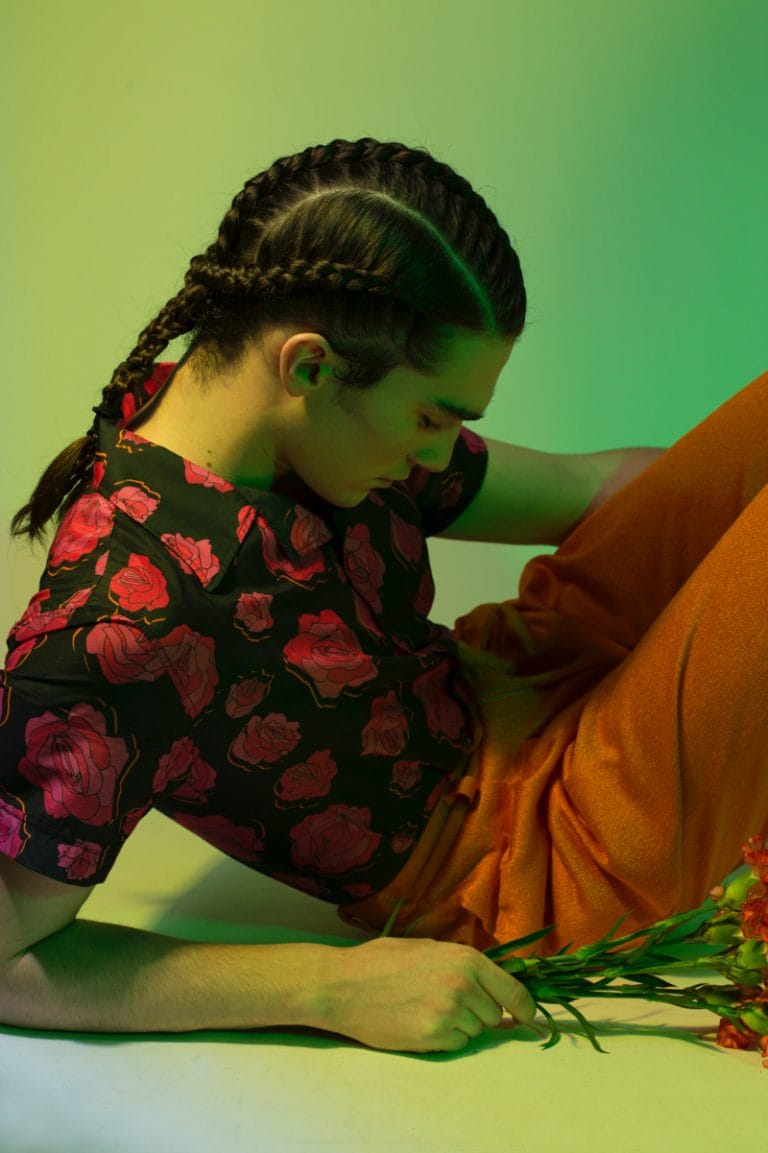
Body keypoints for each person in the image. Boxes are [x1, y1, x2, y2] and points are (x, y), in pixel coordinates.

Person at [1, 136, 766, 1055]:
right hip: (539, 855)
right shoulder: (123, 620)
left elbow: (589, 489)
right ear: (310, 367)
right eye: (432, 416)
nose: (441, 451)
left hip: (523, 672)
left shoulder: (260, 417)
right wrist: (326, 985)